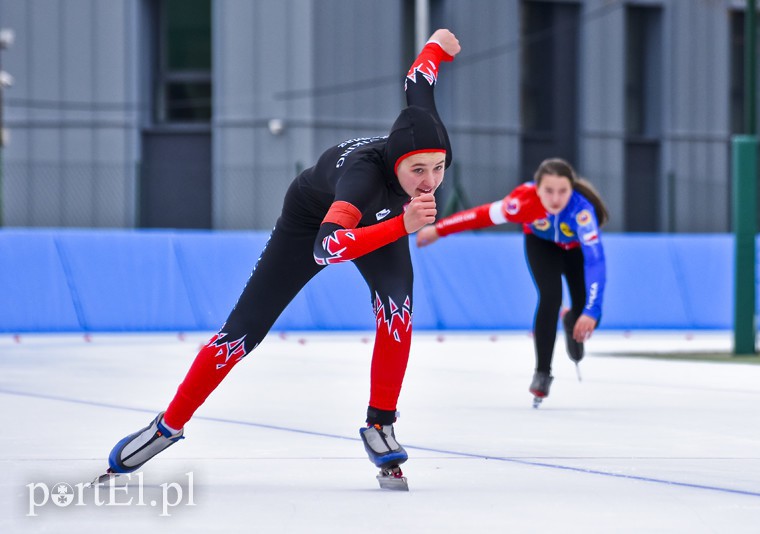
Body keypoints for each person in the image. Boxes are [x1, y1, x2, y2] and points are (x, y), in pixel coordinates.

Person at [104, 29, 461, 481]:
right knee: (241, 332)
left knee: (397, 310)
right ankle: (167, 426)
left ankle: (380, 424)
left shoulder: (427, 134)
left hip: (385, 222)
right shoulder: (363, 178)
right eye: (417, 170)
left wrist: (435, 47)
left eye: (438, 168)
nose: (429, 181)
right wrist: (402, 225)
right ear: (395, 163)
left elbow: (418, 79)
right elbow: (327, 246)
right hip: (313, 223)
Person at [416, 158, 608, 406]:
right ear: (537, 189)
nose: (556, 199)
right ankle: (542, 373)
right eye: (548, 191)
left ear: (572, 190)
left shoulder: (581, 211)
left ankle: (571, 320)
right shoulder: (523, 201)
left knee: (591, 312)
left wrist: (591, 312)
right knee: (550, 297)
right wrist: (438, 230)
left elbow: (595, 261)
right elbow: (481, 216)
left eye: (563, 192)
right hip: (542, 245)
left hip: (574, 251)